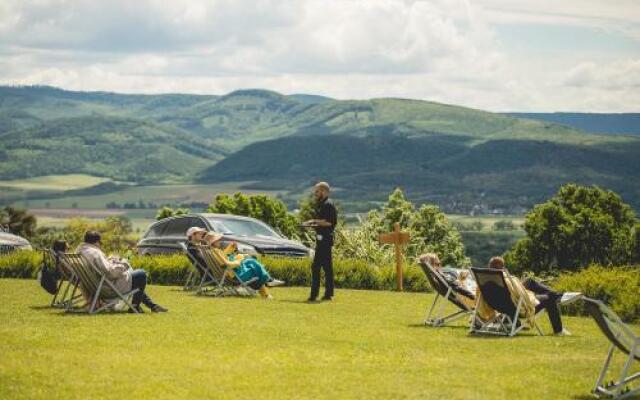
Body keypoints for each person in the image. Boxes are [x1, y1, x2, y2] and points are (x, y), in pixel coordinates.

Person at [77, 231, 168, 313]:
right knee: (141, 274)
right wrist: (124, 265)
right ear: (96, 242)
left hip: (95, 286)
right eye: (100, 243)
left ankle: (152, 306)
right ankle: (135, 307)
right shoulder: (95, 253)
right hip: (108, 288)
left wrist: (111, 260)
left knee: (134, 277)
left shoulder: (81, 252)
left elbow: (101, 269)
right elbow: (110, 273)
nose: (100, 245)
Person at [186, 227, 283, 299]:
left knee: (251, 263)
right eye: (218, 239)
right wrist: (239, 260)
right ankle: (267, 286)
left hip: (227, 274)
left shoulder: (213, 250)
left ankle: (268, 285)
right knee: (253, 265)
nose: (220, 240)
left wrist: (231, 249)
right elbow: (226, 263)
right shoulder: (215, 251)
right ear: (214, 241)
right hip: (234, 276)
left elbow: (222, 257)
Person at [483, 256, 572, 336]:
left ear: (489, 267)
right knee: (550, 296)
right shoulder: (506, 280)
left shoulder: (486, 280)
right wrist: (530, 294)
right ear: (502, 268)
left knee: (529, 281)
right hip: (520, 308)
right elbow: (521, 295)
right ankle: (558, 330)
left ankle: (559, 295)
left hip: (503, 306)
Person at [305, 181, 338, 302]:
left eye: (317, 191)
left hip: (325, 240)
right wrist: (313, 223)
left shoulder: (328, 205)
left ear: (324, 191)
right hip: (322, 239)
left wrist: (314, 221)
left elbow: (329, 222)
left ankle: (314, 295)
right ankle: (328, 294)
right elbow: (322, 221)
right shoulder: (323, 204)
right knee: (327, 267)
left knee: (316, 267)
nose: (315, 193)